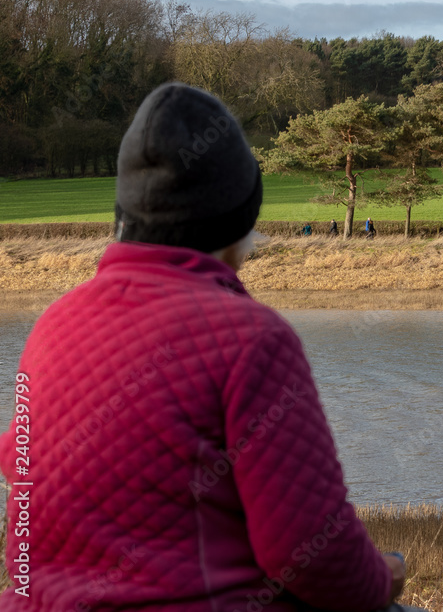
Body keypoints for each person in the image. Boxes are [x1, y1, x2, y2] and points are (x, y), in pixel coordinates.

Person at [0, 83, 416, 611]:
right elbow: (311, 554)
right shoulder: (252, 337)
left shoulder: (52, 325)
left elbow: (21, 472)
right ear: (240, 221)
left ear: (125, 215)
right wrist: (386, 574)